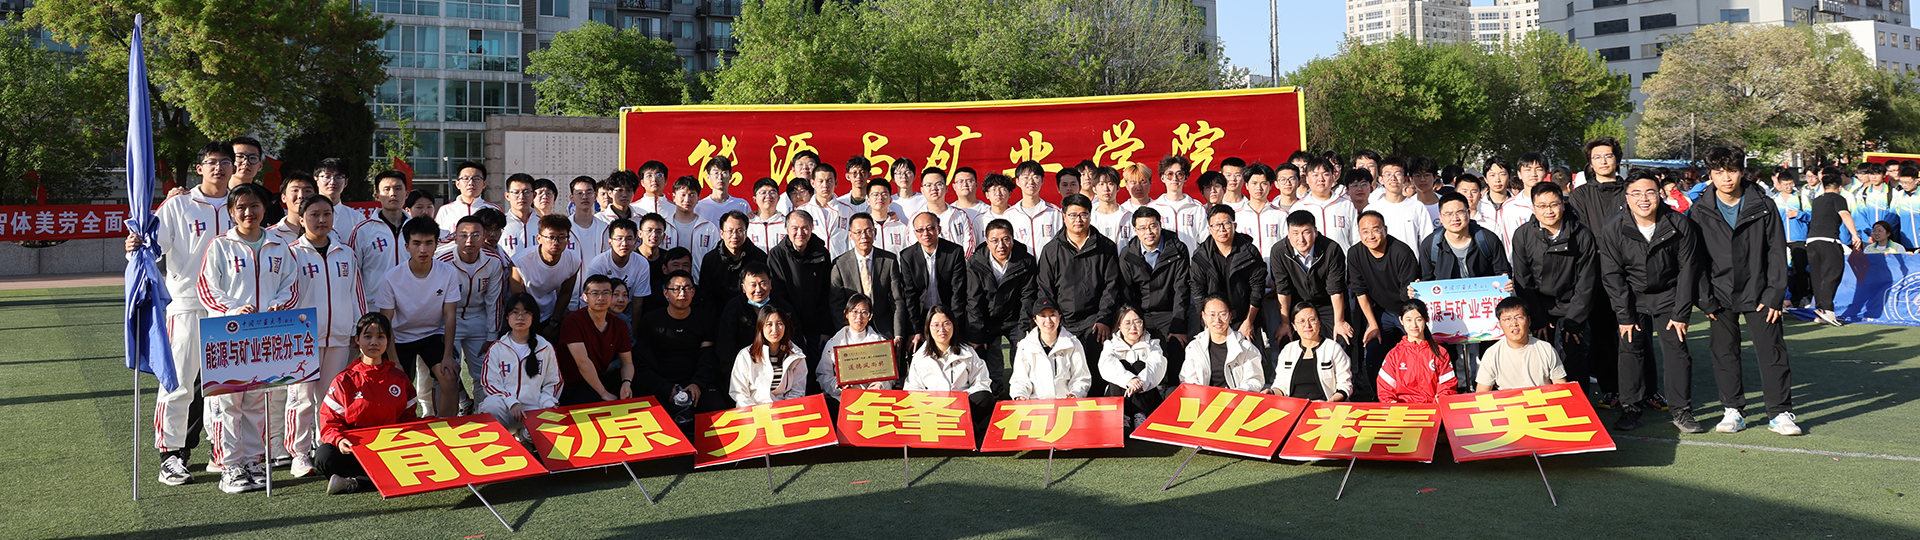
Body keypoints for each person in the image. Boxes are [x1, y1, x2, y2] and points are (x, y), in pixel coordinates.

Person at [128, 140, 231, 485]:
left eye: (225, 162)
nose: (219, 168)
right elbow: (152, 248)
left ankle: (225, 453)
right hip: (187, 304)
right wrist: (135, 247)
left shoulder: (242, 204)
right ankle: (171, 455)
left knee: (225, 387)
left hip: (230, 309)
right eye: (212, 162)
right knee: (179, 383)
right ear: (200, 168)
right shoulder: (178, 205)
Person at [197, 183, 301, 493]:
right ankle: (229, 466)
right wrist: (232, 310)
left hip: (263, 337)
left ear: (265, 209)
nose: (248, 212)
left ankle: (253, 461)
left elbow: (291, 284)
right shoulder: (220, 245)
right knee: (228, 404)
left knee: (257, 403)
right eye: (241, 207)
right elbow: (207, 288)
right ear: (231, 212)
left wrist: (279, 305)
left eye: (254, 206)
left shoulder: (278, 245)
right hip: (228, 336)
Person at [1690, 146, 1800, 436]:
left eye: (1732, 171)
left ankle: (1780, 413)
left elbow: (1776, 251)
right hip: (1718, 294)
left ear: (1741, 172)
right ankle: (1733, 410)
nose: (1726, 178)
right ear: (1710, 174)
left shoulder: (1764, 205)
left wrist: (1775, 294)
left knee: (1772, 352)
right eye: (1719, 172)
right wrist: (1705, 299)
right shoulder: (1699, 210)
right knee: (1724, 353)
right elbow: (1695, 260)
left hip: (1761, 291)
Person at [1600, 173, 1702, 432]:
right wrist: (1624, 315)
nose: (1643, 199)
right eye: (1636, 193)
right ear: (1627, 197)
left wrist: (1681, 313)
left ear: (1660, 194)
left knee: (1677, 350)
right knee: (1630, 349)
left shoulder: (1680, 224)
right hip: (1632, 296)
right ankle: (1630, 408)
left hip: (1669, 294)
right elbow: (1612, 275)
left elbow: (1688, 271)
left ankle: (1681, 411)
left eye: (1650, 192)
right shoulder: (1613, 228)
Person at [316, 313, 459, 495]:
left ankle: (356, 483)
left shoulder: (399, 378)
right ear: (357, 340)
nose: (374, 342)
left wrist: (433, 426)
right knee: (324, 455)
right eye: (368, 336)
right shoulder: (343, 380)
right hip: (357, 452)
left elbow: (407, 420)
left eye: (380, 337)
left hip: (392, 451)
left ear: (388, 341)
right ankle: (380, 479)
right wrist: (339, 440)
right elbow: (329, 423)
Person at [283, 195, 361, 477]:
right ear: (302, 219)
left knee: (332, 398)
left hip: (339, 336)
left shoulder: (346, 253)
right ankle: (299, 453)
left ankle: (324, 445)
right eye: (314, 214)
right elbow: (285, 295)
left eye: (327, 214)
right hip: (303, 339)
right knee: (301, 397)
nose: (321, 220)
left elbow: (356, 294)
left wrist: (357, 328)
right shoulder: (291, 253)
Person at [1508, 182, 1597, 393]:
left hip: (1572, 304)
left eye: (1554, 204)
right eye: (1542, 206)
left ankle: (1579, 402)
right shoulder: (1523, 235)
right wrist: (1537, 317)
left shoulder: (1582, 235)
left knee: (1575, 353)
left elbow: (1587, 281)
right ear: (1533, 208)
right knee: (1539, 355)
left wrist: (1575, 320)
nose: (1548, 211)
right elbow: (1523, 280)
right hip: (1539, 304)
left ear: (1563, 205)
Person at [373, 216, 461, 417]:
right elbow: (386, 322)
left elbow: (450, 315)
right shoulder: (392, 277)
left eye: (429, 243)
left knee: (449, 377)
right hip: (401, 337)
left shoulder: (448, 273)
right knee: (396, 384)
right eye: (417, 243)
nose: (423, 249)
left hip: (433, 335)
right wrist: (394, 360)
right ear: (407, 246)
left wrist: (448, 356)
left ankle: (448, 428)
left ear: (436, 245)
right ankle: (399, 429)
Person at [1035, 194, 1124, 370]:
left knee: (1097, 370)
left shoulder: (1105, 247)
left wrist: (1104, 319)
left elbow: (1111, 287)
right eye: (1073, 215)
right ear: (1064, 217)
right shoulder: (1051, 250)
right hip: (1063, 320)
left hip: (1095, 320)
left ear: (1090, 216)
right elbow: (1045, 289)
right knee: (1065, 372)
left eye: (1083, 214)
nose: (1078, 220)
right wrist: (1054, 321)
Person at [1346, 210, 1420, 402]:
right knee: (1372, 348)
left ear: (1385, 230)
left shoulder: (1402, 252)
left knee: (1414, 349)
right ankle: (1379, 397)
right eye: (1365, 231)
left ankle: (1416, 394)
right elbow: (1360, 291)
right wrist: (1372, 324)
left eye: (1375, 230)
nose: (1370, 235)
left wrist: (1408, 323)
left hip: (1406, 310)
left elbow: (1409, 296)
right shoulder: (1354, 253)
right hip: (1380, 310)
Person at [635, 270, 728, 417]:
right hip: (661, 382)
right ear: (666, 293)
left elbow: (707, 357)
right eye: (676, 289)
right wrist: (665, 388)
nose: (682, 293)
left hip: (695, 380)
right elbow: (642, 362)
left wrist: (697, 383)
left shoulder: (705, 320)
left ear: (693, 292)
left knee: (716, 407)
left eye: (687, 288)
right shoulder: (650, 321)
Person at [1117, 207, 1191, 391]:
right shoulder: (1128, 254)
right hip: (1141, 313)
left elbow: (1181, 290)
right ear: (1135, 230)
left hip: (1169, 311)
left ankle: (1172, 393)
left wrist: (1178, 326)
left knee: (1175, 346)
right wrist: (1133, 323)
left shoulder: (1177, 249)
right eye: (1142, 228)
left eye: (1153, 226)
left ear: (1160, 225)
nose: (1148, 232)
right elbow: (1127, 294)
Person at [436, 216, 510, 394]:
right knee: (446, 372)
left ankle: (482, 410)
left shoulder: (493, 261)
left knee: (485, 374)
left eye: (475, 235)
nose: (469, 240)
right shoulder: (442, 261)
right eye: (464, 235)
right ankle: (453, 409)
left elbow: (494, 301)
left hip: (478, 317)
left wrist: (491, 335)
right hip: (448, 319)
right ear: (455, 238)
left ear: (483, 237)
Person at [965, 219, 1037, 398]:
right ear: (987, 241)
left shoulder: (1026, 260)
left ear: (1013, 239)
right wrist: (978, 333)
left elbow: (1027, 298)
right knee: (984, 351)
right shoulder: (975, 262)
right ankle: (994, 388)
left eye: (1006, 240)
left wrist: (1023, 331)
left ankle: (1021, 390)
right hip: (988, 319)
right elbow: (974, 301)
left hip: (1015, 318)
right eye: (995, 241)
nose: (1001, 246)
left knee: (1023, 350)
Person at [477, 293, 562, 438]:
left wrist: (546, 403)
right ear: (507, 316)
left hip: (534, 408)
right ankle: (502, 443)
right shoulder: (497, 348)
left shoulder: (545, 347)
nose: (520, 317)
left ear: (533, 317)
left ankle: (525, 439)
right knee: (491, 404)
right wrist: (512, 401)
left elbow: (554, 382)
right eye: (515, 312)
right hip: (507, 408)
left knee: (550, 414)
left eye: (526, 312)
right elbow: (489, 383)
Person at [1189, 204, 1267, 352]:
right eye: (1216, 225)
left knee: (1251, 359)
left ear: (1234, 225)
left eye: (1226, 223)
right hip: (1214, 319)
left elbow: (1257, 289)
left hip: (1243, 317)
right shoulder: (1201, 256)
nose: (1222, 229)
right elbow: (1198, 291)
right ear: (1210, 229)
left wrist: (1248, 322)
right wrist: (1207, 322)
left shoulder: (1249, 252)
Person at [903, 306, 995, 425]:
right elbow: (912, 388)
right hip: (933, 407)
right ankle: (967, 427)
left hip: (963, 404)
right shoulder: (920, 357)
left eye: (946, 324)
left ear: (953, 325)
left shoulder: (968, 352)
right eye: (936, 325)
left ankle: (965, 424)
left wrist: (960, 398)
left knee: (985, 397)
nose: (941, 330)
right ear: (928, 328)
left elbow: (982, 381)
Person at [830, 213, 913, 343]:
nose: (864, 236)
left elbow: (897, 300)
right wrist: (847, 333)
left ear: (875, 232)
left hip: (884, 329)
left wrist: (898, 334)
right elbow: (836, 304)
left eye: (868, 231)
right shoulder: (840, 264)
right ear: (850, 235)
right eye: (858, 232)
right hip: (853, 330)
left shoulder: (889, 260)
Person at [557, 275, 635, 406]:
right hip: (574, 385)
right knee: (603, 404)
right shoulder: (573, 321)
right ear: (585, 297)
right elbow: (582, 362)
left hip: (602, 377)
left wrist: (626, 383)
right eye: (595, 293)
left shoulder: (620, 325)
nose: (601, 298)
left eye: (606, 293)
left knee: (638, 387)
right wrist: (603, 393)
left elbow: (627, 361)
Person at [899, 211, 969, 347]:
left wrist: (953, 325)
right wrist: (915, 330)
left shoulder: (954, 252)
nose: (925, 233)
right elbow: (910, 296)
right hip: (922, 315)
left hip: (948, 312)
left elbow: (958, 293)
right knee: (916, 349)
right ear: (915, 233)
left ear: (939, 229)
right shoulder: (907, 256)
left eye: (930, 228)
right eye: (920, 230)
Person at [714, 263, 800, 370]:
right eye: (753, 285)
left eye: (763, 283)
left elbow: (795, 340)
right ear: (743, 287)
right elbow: (725, 346)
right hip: (743, 369)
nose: (758, 290)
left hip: (779, 367)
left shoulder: (783, 308)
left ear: (770, 284)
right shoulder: (733, 308)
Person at [768, 211, 836, 346]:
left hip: (818, 329)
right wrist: (795, 332)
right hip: (790, 329)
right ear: (786, 229)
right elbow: (778, 297)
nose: (800, 233)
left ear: (811, 228)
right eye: (795, 228)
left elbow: (827, 292)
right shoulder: (777, 255)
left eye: (805, 228)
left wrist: (826, 330)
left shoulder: (822, 253)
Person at [1807, 166, 1863, 326]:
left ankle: (1820, 311)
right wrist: (1854, 234)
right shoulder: (1838, 198)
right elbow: (1845, 214)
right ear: (1839, 187)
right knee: (1833, 274)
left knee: (1817, 277)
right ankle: (1826, 309)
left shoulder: (1817, 200)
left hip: (1811, 242)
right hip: (1828, 241)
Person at [817, 294, 897, 405]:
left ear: (870, 316)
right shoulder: (833, 343)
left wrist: (879, 384)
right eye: (854, 312)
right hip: (843, 401)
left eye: (864, 312)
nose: (859, 317)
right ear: (846, 314)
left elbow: (890, 375)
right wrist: (838, 385)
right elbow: (823, 375)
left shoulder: (880, 343)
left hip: (875, 400)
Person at [1475, 298, 1568, 392]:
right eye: (1507, 319)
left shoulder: (1546, 349)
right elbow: (1482, 392)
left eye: (1519, 317)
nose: (1514, 323)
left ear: (1529, 321)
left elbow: (1561, 386)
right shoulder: (1492, 354)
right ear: (1500, 324)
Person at [1009, 300, 1094, 400]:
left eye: (1053, 315)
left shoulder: (1073, 343)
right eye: (1043, 316)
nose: (1048, 320)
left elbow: (1081, 377)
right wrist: (1020, 395)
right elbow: (1020, 380)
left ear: (1059, 317)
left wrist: (1075, 394)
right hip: (1036, 404)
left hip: (1066, 403)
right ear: (1035, 320)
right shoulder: (1025, 346)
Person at [1375, 302, 1457, 404]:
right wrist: (1393, 405)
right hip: (1403, 410)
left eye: (1419, 319)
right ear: (1401, 320)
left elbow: (1448, 385)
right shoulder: (1394, 355)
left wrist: (1441, 399)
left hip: (1432, 409)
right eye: (1408, 320)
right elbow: (1385, 389)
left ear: (1426, 319)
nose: (1414, 325)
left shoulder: (1440, 352)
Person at [1269, 304, 1353, 402]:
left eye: (1312, 320)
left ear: (1319, 322)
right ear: (1294, 326)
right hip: (1293, 405)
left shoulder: (1333, 348)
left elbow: (1345, 385)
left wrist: (1329, 402)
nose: (1307, 325)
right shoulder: (1288, 350)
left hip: (1325, 405)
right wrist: (1271, 392)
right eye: (1301, 321)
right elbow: (1281, 385)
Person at [1099, 306, 1167, 427]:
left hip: (1146, 397)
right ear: (1119, 326)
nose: (1133, 327)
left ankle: (1140, 415)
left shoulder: (1153, 345)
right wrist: (1129, 380)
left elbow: (1157, 366)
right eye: (1127, 323)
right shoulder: (1110, 345)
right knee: (1121, 366)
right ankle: (1122, 415)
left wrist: (1139, 383)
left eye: (1137, 322)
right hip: (1118, 395)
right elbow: (1106, 365)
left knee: (1140, 365)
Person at [511, 215, 582, 329]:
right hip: (523, 316)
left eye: (561, 237)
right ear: (539, 238)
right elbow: (518, 298)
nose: (556, 242)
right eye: (551, 237)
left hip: (551, 313)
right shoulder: (519, 262)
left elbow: (565, 293)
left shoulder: (573, 261)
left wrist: (553, 323)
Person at [728, 306, 809, 407]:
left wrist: (784, 410)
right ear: (761, 327)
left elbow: (797, 391)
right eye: (769, 324)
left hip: (785, 410)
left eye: (779, 324)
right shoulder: (746, 355)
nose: (775, 330)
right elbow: (739, 393)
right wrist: (755, 411)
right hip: (754, 410)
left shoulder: (796, 355)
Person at [1180, 297, 1265, 392]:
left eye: (1223, 314)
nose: (1217, 320)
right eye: (1212, 315)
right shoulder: (1195, 347)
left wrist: (1235, 393)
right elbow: (1188, 379)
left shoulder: (1245, 347)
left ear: (1230, 315)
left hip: (1236, 397)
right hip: (1203, 397)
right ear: (1204, 316)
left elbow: (1254, 380)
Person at [581, 218, 652, 321]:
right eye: (619, 239)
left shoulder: (642, 263)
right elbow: (593, 298)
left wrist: (634, 329)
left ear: (635, 241)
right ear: (610, 242)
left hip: (627, 315)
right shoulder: (598, 263)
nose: (624, 243)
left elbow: (638, 302)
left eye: (629, 239)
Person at [698, 211, 769, 312]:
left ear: (746, 232)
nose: (734, 236)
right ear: (722, 233)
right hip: (718, 315)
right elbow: (706, 295)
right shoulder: (710, 260)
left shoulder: (759, 258)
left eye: (739, 231)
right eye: (730, 231)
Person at [1291, 157, 1358, 250]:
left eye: (1325, 174)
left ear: (1333, 176)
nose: (1321, 179)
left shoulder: (1346, 204)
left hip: (1342, 259)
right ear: (1307, 179)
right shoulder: (1298, 207)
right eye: (1315, 175)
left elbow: (1356, 239)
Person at [1371, 156, 1436, 249]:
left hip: (1412, 258)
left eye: (1398, 174)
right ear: (1380, 179)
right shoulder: (1372, 209)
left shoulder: (1417, 207)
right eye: (1388, 174)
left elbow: (1427, 241)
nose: (1393, 178)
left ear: (1405, 179)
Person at [796, 163, 855, 256]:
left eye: (829, 181)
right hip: (812, 261)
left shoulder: (846, 210)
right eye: (820, 181)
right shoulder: (803, 211)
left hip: (840, 262)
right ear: (813, 183)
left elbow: (852, 241)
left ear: (836, 183)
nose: (825, 185)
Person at [664, 176, 720, 274]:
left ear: (698, 198)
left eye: (692, 195)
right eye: (683, 195)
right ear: (673, 197)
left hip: (700, 281)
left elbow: (716, 259)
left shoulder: (709, 228)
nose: (687, 199)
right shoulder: (664, 227)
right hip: (669, 282)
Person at [919, 167, 979, 257]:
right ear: (922, 190)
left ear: (946, 188)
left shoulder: (960, 215)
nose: (934, 188)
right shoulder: (917, 218)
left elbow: (969, 244)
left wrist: (959, 264)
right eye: (928, 185)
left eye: (939, 184)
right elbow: (914, 249)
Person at [1147, 155, 1205, 248]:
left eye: (1179, 174)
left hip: (1190, 257)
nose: (1175, 178)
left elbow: (1205, 240)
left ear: (1185, 177)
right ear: (1162, 178)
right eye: (1169, 174)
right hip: (1163, 257)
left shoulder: (1197, 208)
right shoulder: (1153, 207)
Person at [435, 161, 501, 233]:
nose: (471, 183)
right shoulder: (445, 210)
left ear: (484, 184)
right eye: (465, 178)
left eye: (476, 179)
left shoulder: (493, 209)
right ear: (457, 184)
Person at [313, 158, 368, 235]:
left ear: (346, 182)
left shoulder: (357, 218)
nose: (332, 182)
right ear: (316, 180)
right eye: (327, 177)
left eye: (338, 177)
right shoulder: (306, 215)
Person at [693, 157, 752, 225]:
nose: (720, 177)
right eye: (716, 173)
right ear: (708, 177)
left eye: (724, 173)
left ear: (730, 176)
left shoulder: (742, 205)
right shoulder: (699, 206)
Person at [264, 172, 318, 241]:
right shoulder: (269, 235)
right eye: (295, 190)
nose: (301, 196)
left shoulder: (327, 231)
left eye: (307, 191)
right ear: (283, 198)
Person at [568, 176, 611, 261]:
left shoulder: (604, 228)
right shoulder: (565, 227)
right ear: (572, 198)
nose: (585, 197)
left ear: (595, 196)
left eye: (589, 193)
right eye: (579, 193)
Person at [1089, 166, 1134, 244]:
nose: (1106, 189)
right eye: (1101, 184)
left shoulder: (1128, 216)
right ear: (1094, 189)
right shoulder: (1089, 217)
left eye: (1110, 184)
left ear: (1118, 188)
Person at [866, 179, 914, 253]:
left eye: (884, 194)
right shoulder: (864, 227)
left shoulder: (901, 227)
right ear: (868, 200)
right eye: (875, 194)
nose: (880, 198)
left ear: (890, 200)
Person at [746, 177, 788, 252]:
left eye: (772, 192)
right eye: (763, 192)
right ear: (754, 199)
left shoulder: (787, 223)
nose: (768, 196)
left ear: (778, 198)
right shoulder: (747, 224)